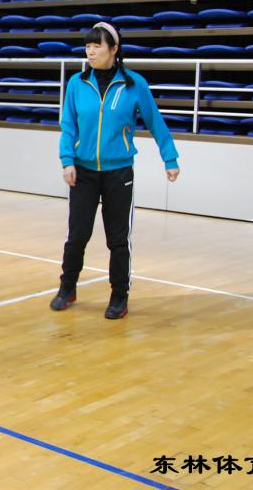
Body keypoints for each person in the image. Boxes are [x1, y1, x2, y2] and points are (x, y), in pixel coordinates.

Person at [52, 21, 180, 319]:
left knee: (118, 239)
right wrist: (67, 160)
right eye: (87, 46)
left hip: (119, 173)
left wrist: (170, 158)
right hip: (82, 171)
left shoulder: (134, 84)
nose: (90, 52)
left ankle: (119, 295)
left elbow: (155, 121)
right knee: (77, 235)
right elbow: (68, 125)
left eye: (97, 46)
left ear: (114, 49)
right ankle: (67, 288)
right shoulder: (77, 83)